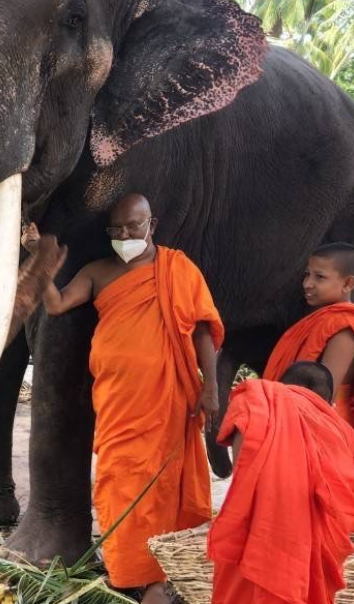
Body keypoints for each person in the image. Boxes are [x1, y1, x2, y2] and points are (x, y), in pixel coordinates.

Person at [24, 193, 221, 604]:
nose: (125, 235)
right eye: (116, 230)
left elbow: (203, 330)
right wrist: (39, 263)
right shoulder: (98, 271)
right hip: (117, 400)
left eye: (134, 226)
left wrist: (211, 387)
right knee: (119, 480)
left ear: (154, 223)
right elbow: (57, 305)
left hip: (170, 397)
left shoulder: (177, 269)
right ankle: (128, 569)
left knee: (163, 485)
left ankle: (157, 573)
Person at [261, 243, 354, 603]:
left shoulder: (345, 328)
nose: (307, 283)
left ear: (349, 282)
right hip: (311, 429)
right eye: (307, 274)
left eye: (320, 277)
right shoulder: (322, 319)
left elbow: (319, 397)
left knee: (320, 522)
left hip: (325, 435)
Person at [208, 361, 354, 604]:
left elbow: (243, 473)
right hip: (313, 543)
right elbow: (340, 498)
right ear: (327, 403)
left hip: (261, 529)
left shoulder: (261, 400)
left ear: (281, 385)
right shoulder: (340, 428)